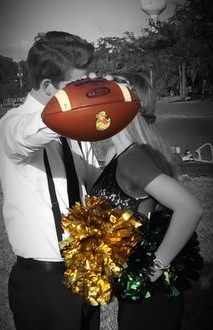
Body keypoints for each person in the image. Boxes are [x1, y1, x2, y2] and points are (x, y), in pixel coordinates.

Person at [0, 31, 101, 330]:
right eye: (78, 84)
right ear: (46, 86)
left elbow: (92, 179)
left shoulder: (74, 128)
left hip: (85, 268)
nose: (89, 88)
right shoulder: (13, 125)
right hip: (44, 281)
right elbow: (34, 132)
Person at [90, 73, 203, 330]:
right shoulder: (121, 152)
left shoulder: (133, 158)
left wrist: (154, 269)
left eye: (107, 98)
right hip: (140, 294)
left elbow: (190, 208)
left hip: (150, 296)